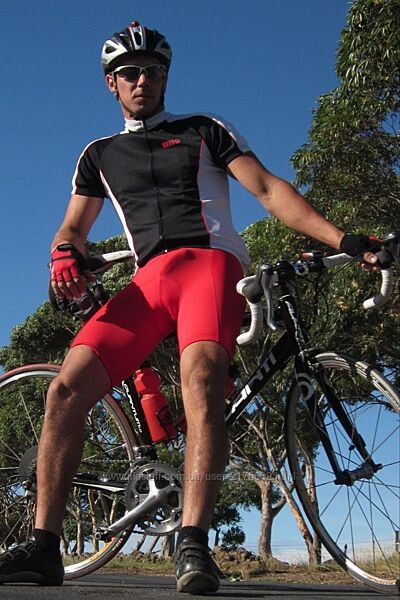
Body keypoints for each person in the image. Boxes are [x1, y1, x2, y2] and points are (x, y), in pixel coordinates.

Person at [0, 20, 380, 595]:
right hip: (148, 279)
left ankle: (194, 542)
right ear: (111, 83)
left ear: (165, 77)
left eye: (153, 71)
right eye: (129, 72)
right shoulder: (98, 154)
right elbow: (73, 226)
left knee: (201, 379)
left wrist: (345, 240)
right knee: (65, 391)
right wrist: (63, 251)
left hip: (209, 265)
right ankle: (44, 548)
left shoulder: (204, 129)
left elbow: (268, 190)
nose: (141, 80)